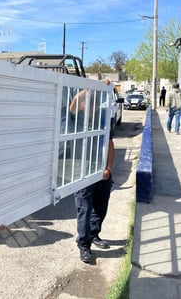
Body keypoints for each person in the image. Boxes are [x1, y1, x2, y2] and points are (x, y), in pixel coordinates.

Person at [70, 87, 115, 264]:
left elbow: (110, 144)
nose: (83, 106)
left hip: (102, 170)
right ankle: (84, 245)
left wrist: (108, 169)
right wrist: (89, 88)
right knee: (84, 209)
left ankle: (94, 234)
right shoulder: (77, 120)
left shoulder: (101, 120)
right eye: (82, 104)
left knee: (100, 207)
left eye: (88, 105)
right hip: (82, 170)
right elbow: (73, 104)